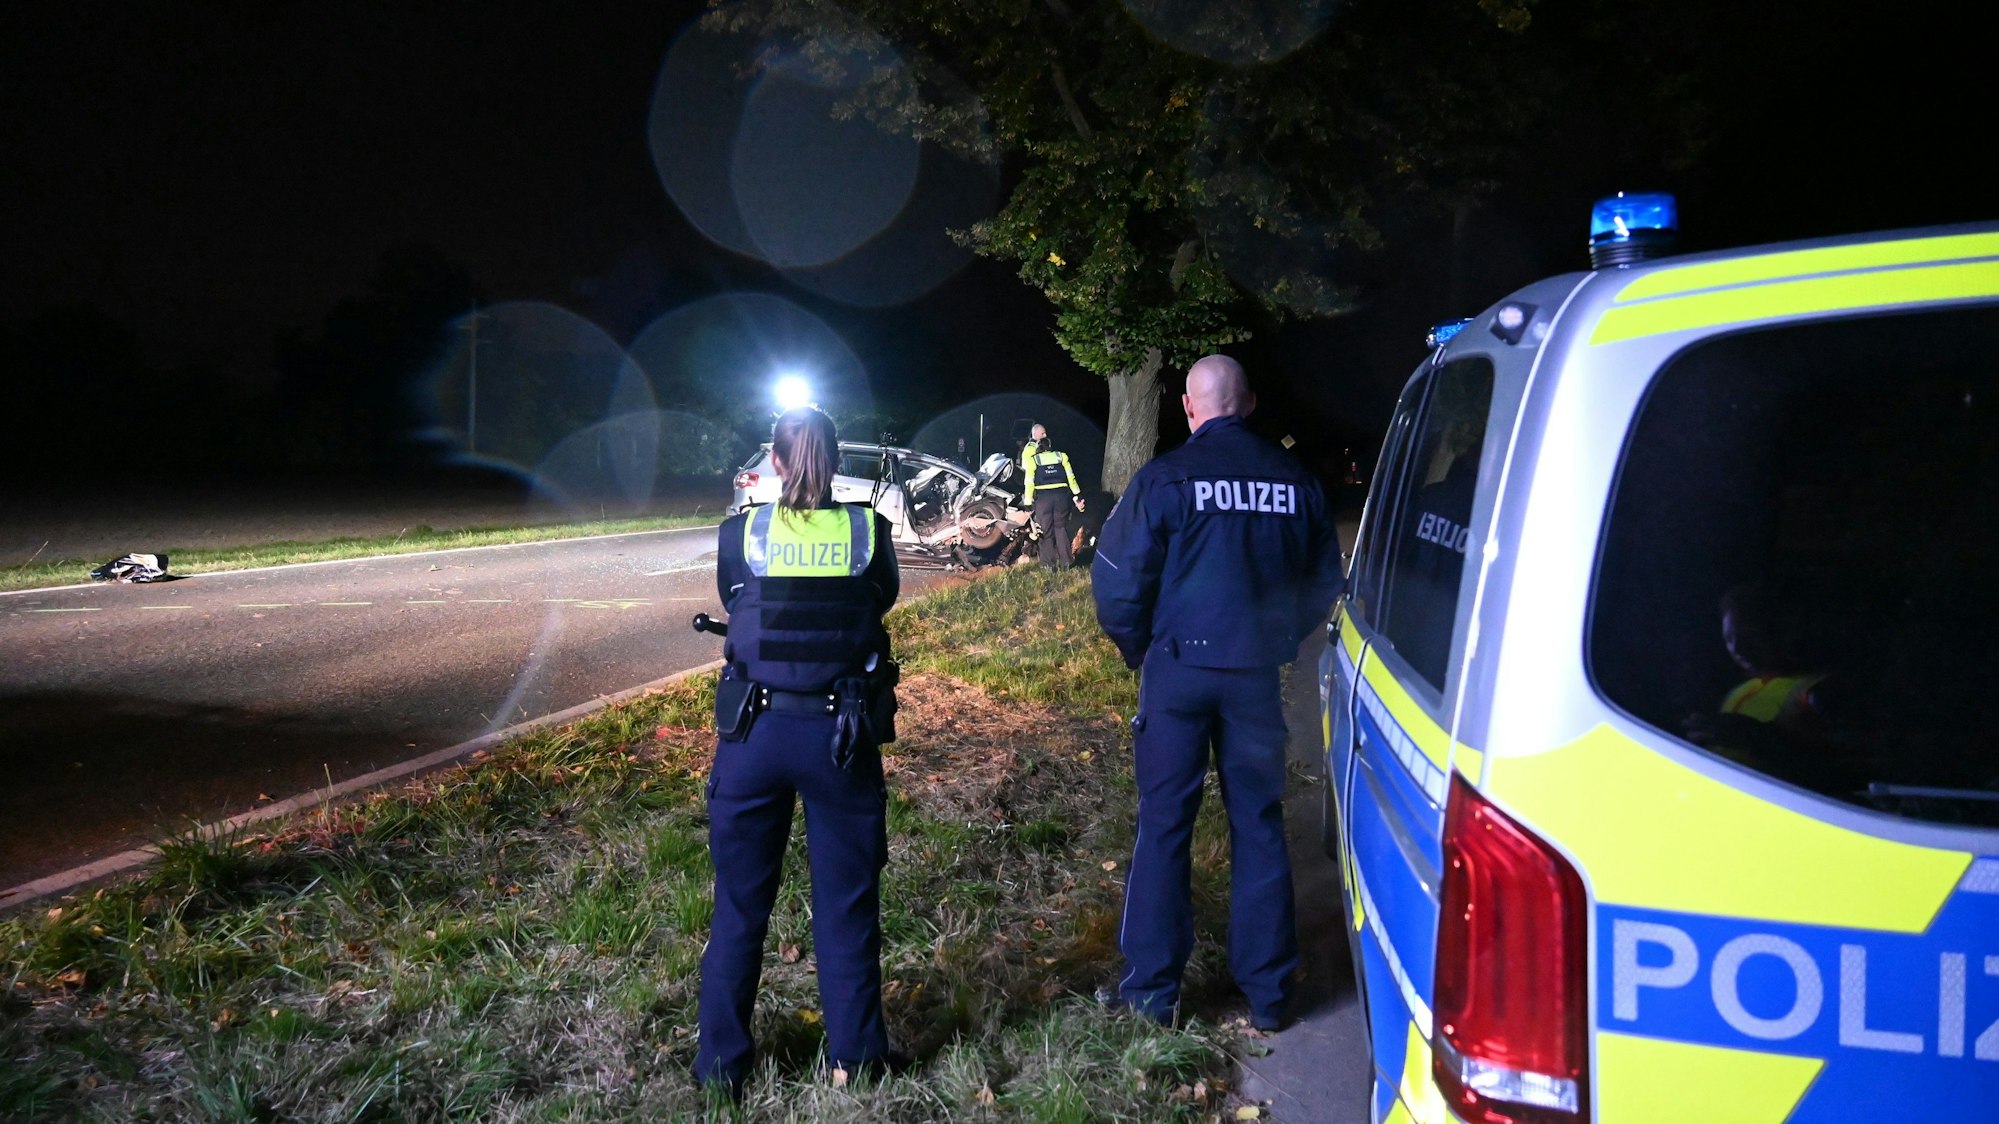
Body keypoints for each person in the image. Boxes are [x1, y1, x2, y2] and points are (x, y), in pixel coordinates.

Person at [1091, 354, 1344, 1030]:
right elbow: (1323, 583)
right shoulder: (1295, 482)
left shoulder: (1164, 479)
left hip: (1176, 673)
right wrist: (1281, 639)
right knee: (1258, 826)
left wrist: (1136, 646)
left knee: (1164, 826)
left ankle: (1151, 993)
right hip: (1254, 678)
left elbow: (1117, 581)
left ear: (1188, 406)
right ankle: (1267, 994)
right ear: (1250, 403)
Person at [695, 406, 901, 1098]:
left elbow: (733, 597)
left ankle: (721, 1070)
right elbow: (881, 602)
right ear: (837, 459)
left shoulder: (742, 532)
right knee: (846, 905)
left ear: (775, 462)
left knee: (739, 908)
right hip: (838, 738)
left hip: (752, 737)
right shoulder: (867, 531)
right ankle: (856, 1062)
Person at [1023, 425, 1086, 570]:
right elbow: (1071, 478)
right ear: (1050, 446)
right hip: (1061, 498)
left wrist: (1028, 503)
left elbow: (1029, 482)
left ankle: (1047, 564)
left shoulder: (1034, 460)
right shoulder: (1061, 456)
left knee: (1046, 531)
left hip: (1043, 499)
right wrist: (1077, 495)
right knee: (1061, 528)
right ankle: (1067, 562)